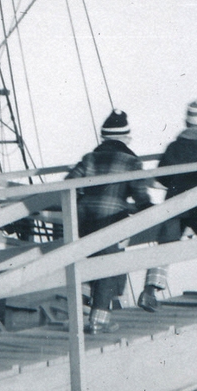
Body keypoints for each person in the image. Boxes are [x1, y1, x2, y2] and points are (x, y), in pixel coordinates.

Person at [138, 99, 197, 311]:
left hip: (175, 200)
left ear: (186, 121)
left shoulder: (175, 146)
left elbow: (162, 176)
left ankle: (149, 291)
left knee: (166, 244)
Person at [66, 110, 151, 334]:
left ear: (104, 138)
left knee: (89, 260)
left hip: (84, 218)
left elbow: (69, 184)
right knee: (108, 264)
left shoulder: (89, 158)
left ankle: (82, 311)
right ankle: (99, 320)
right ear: (124, 138)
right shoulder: (131, 162)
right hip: (111, 220)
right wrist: (144, 209)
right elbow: (141, 196)